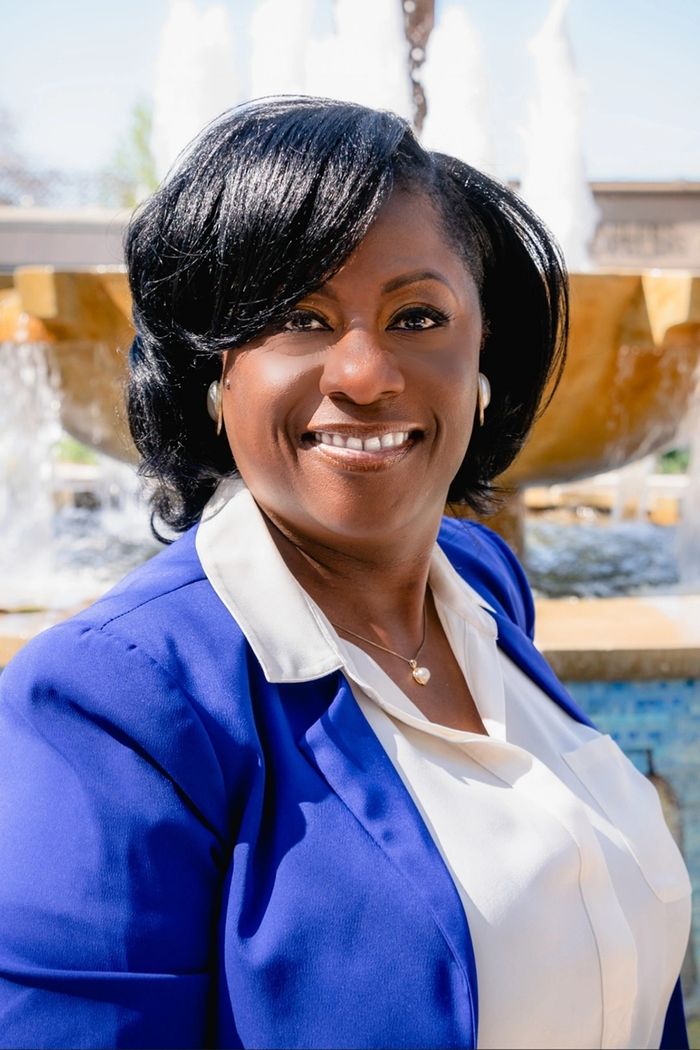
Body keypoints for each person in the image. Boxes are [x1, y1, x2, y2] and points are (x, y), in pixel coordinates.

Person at [0, 97, 691, 1050]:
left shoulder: (482, 588)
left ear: (481, 354)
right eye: (298, 317)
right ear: (213, 367)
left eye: (418, 315)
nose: (365, 372)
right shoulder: (112, 707)